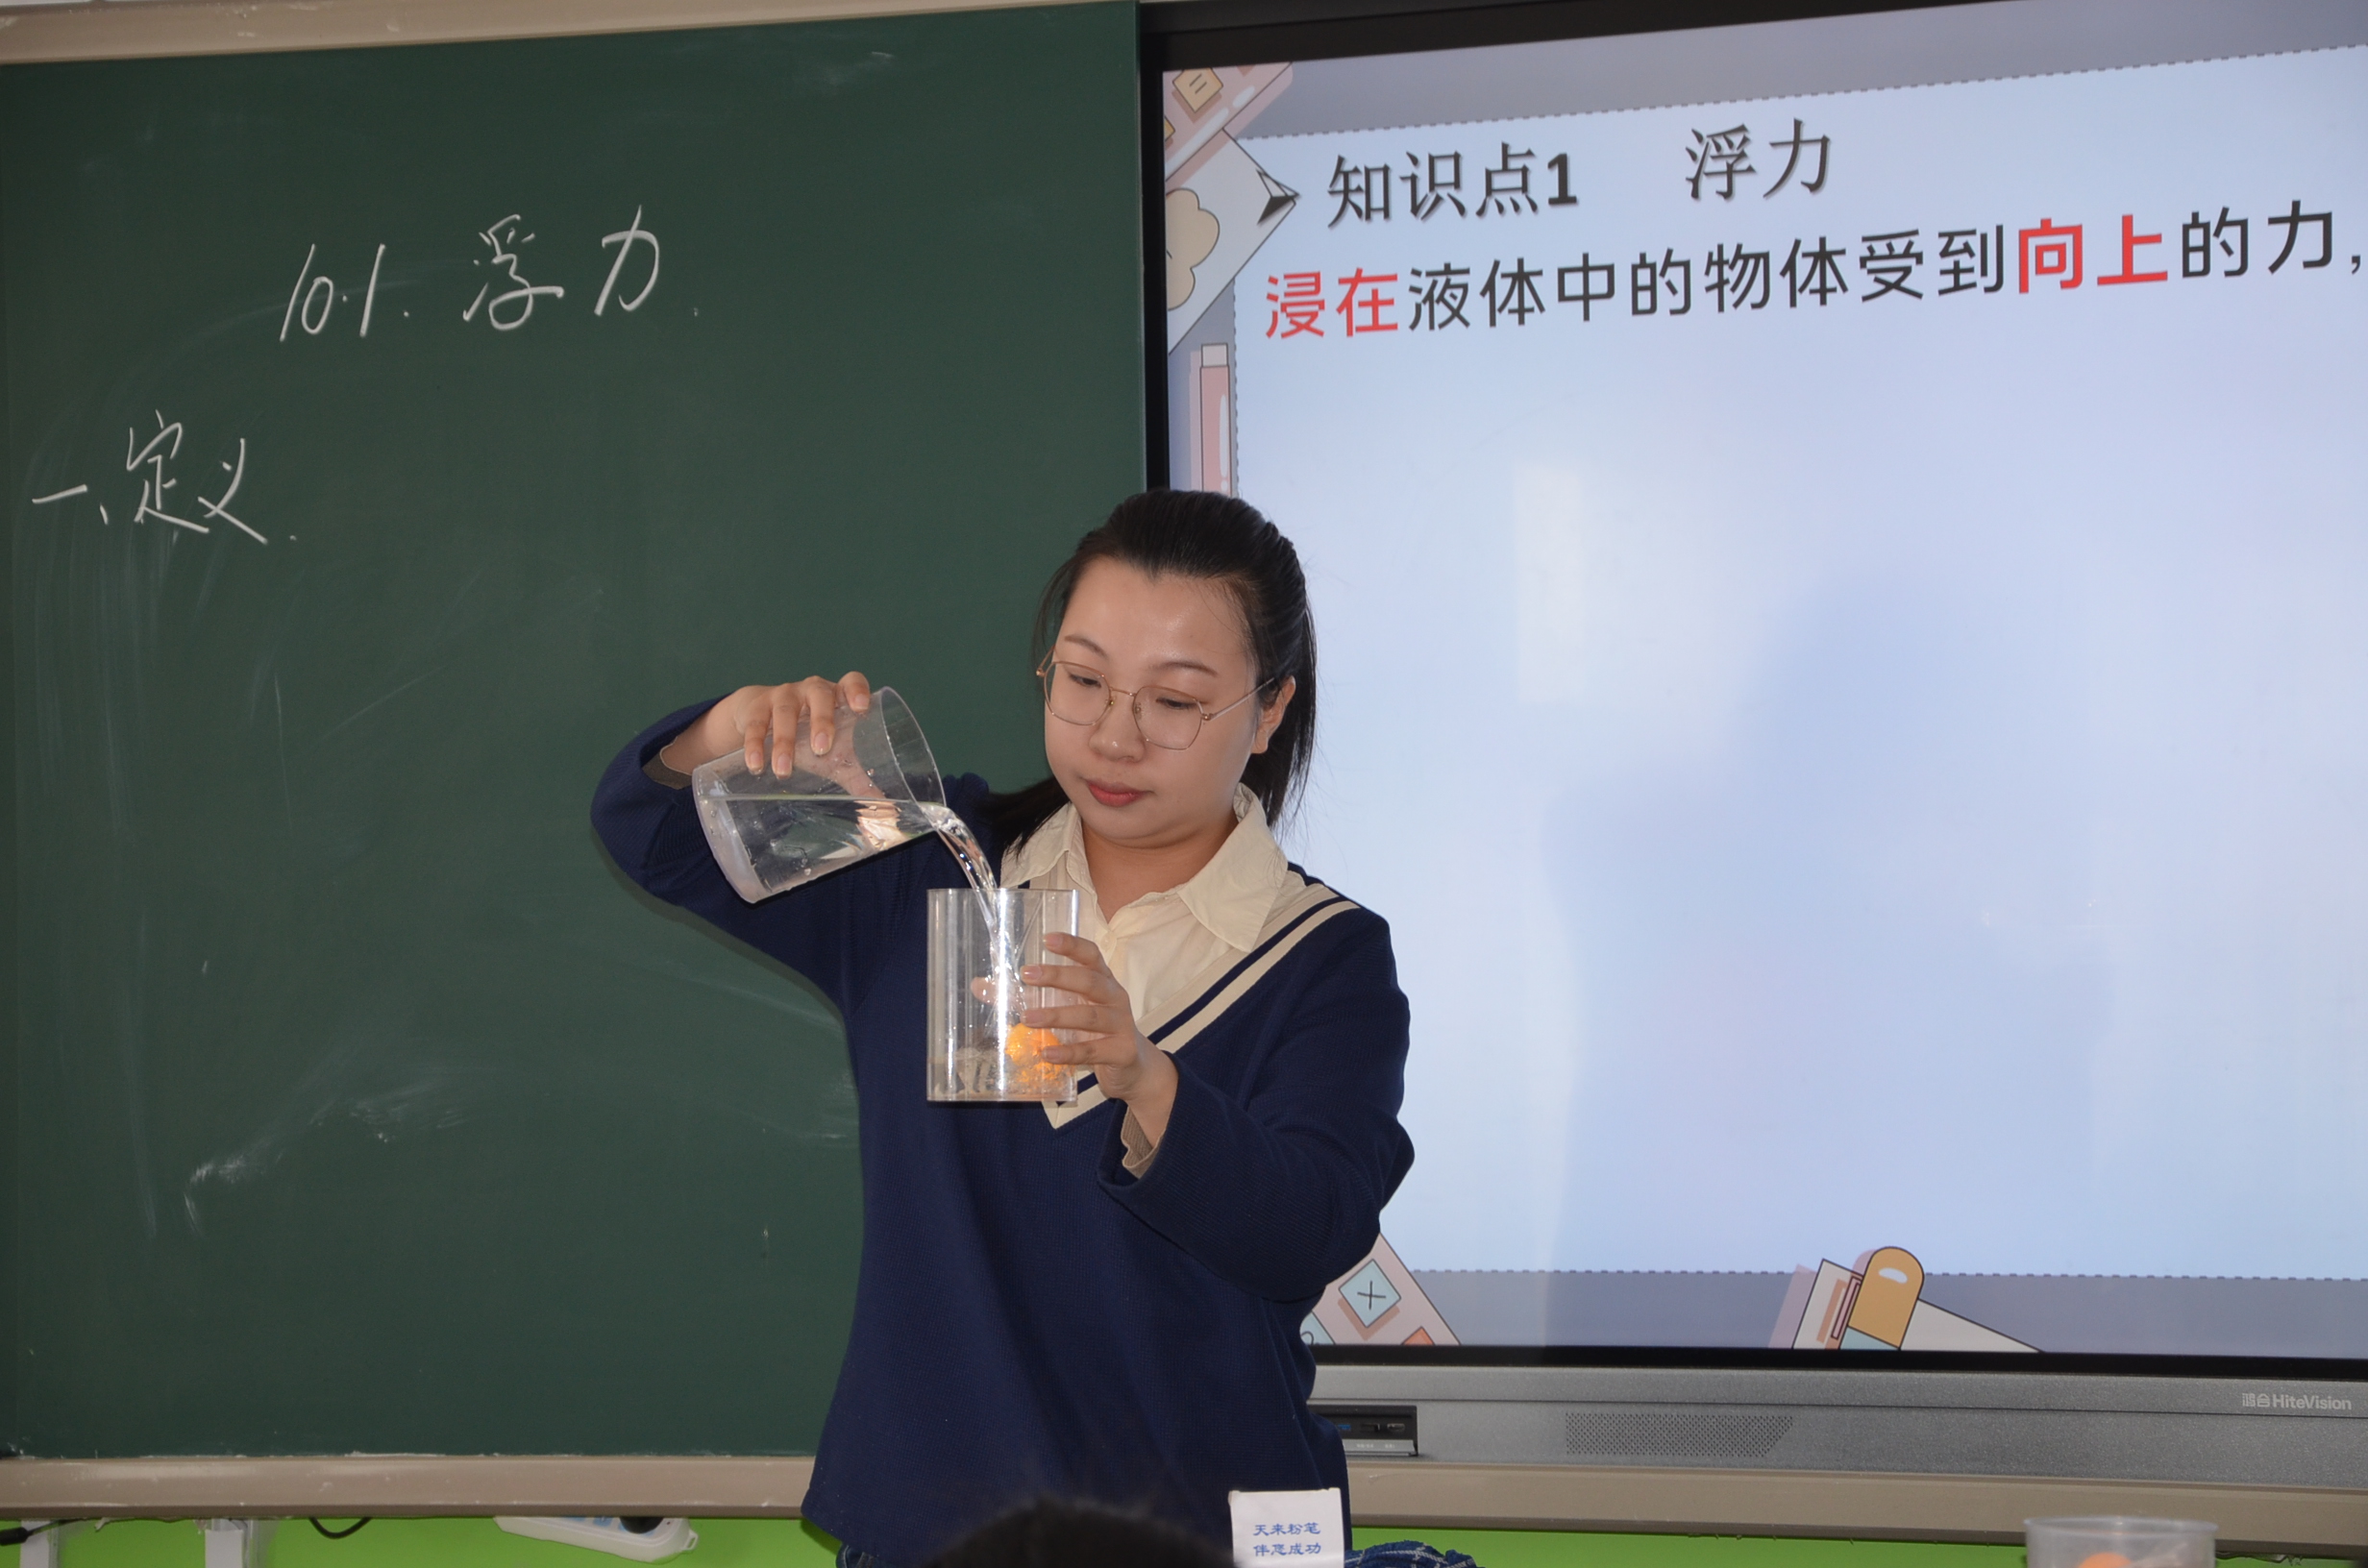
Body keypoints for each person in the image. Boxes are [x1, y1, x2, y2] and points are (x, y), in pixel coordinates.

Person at [590, 490, 1414, 1566]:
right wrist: (730, 732)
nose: (1113, 735)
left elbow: (1314, 1227)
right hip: (940, 1529)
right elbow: (649, 835)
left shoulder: (1323, 955)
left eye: (1174, 701)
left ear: (1267, 713)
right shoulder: (930, 865)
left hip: (1196, 1531)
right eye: (1082, 680)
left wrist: (1146, 1078)